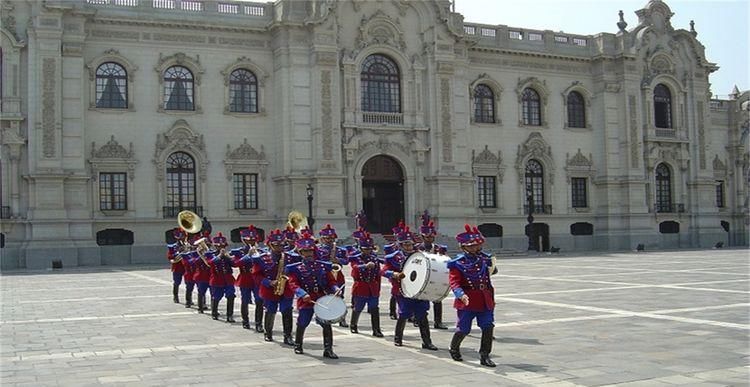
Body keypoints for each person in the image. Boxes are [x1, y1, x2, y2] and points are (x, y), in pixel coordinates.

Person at [447, 225, 497, 367]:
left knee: (488, 327)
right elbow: (454, 283)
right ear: (464, 247)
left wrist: (492, 264)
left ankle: (484, 355)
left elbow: (492, 273)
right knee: (463, 329)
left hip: (484, 299)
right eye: (473, 246)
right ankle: (454, 348)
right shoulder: (457, 263)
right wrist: (461, 295)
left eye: (478, 245)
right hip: (468, 300)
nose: (477, 248)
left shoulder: (483, 259)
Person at [381, 225, 437, 350]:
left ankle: (427, 342)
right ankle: (398, 338)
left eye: (410, 244)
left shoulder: (420, 256)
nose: (409, 247)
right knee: (404, 314)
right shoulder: (393, 257)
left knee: (423, 315)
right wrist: (395, 274)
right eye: (405, 245)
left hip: (419, 290)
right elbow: (384, 271)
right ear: (400, 245)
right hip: (403, 290)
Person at [285, 232, 341, 358]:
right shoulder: (295, 268)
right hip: (306, 299)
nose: (308, 254)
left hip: (321, 298)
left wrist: (336, 288)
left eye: (310, 251)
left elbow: (331, 281)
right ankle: (298, 344)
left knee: (326, 323)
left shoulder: (322, 266)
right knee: (303, 322)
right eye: (305, 251)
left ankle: (328, 349)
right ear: (300, 253)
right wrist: (302, 294)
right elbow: (293, 284)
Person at [253, 229, 296, 345]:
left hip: (286, 289)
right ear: (270, 245)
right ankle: (268, 333)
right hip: (269, 289)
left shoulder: (290, 257)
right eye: (277, 245)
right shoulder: (262, 258)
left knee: (287, 310)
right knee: (270, 310)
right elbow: (256, 276)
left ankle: (288, 336)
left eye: (282, 245)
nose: (280, 248)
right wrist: (268, 282)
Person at [416, 211, 449, 329]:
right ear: (422, 237)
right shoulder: (417, 249)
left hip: (436, 277)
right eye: (427, 237)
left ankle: (438, 321)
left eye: (431, 237)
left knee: (437, 299)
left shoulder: (439, 249)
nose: (430, 239)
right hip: (421, 276)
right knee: (420, 299)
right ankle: (417, 318)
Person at [348, 232, 383, 337]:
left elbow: (378, 275)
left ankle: (376, 329)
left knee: (374, 309)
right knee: (358, 307)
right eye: (365, 249)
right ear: (361, 249)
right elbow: (354, 268)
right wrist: (364, 266)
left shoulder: (375, 259)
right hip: (361, 287)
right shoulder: (356, 258)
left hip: (373, 287)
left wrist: (378, 289)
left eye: (369, 249)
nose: (367, 251)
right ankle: (353, 324)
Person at [316, 224, 349, 327]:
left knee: (339, 297)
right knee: (323, 297)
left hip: (338, 275)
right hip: (324, 275)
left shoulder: (340, 250)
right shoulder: (318, 250)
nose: (330, 240)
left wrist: (337, 260)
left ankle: (341, 318)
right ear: (322, 238)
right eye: (327, 238)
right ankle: (322, 316)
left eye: (332, 238)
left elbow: (346, 261)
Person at [199, 233, 236, 323]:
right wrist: (219, 256)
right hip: (216, 279)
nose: (221, 247)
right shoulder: (210, 254)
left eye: (223, 245)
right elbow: (210, 263)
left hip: (228, 278)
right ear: (215, 246)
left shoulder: (227, 254)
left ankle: (229, 315)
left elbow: (234, 265)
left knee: (231, 296)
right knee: (216, 297)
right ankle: (214, 313)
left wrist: (230, 258)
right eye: (219, 246)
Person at [235, 226, 264, 331]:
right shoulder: (239, 251)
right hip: (245, 277)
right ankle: (245, 321)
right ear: (243, 240)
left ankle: (259, 323)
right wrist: (248, 255)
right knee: (245, 300)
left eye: (253, 239)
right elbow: (235, 263)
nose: (251, 241)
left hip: (257, 279)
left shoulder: (261, 251)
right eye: (249, 239)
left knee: (259, 301)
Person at [167, 228, 188, 304]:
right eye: (181, 237)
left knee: (188, 283)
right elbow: (170, 256)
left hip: (187, 267)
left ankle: (188, 299)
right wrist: (179, 252)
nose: (182, 238)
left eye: (183, 237)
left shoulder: (188, 245)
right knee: (177, 283)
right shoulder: (173, 246)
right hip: (177, 266)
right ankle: (175, 297)